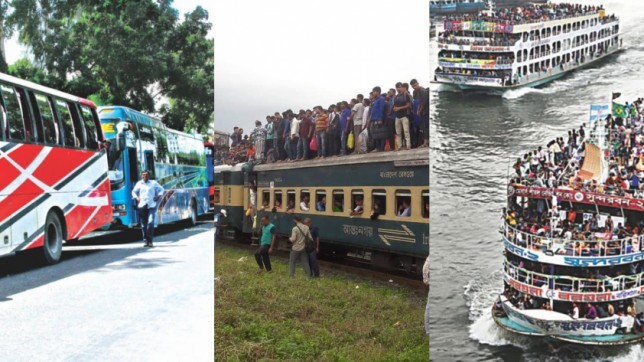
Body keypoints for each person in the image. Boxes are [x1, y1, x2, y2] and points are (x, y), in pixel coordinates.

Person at [131, 170, 165, 247]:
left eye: (146, 175)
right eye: (143, 175)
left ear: (148, 176)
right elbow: (133, 192)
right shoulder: (139, 183)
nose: (144, 177)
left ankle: (150, 240)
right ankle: (146, 241)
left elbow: (161, 189)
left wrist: (158, 196)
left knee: (150, 222)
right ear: (141, 176)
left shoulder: (153, 183)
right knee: (143, 225)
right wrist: (136, 198)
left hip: (151, 205)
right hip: (142, 206)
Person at [393, 82, 412, 150]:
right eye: (397, 87)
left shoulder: (406, 95)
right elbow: (395, 105)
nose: (398, 88)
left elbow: (408, 105)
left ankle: (408, 145)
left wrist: (399, 108)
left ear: (402, 87)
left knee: (406, 131)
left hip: (404, 115)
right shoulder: (396, 97)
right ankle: (400, 146)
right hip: (397, 116)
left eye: (399, 87)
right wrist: (395, 108)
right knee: (398, 132)